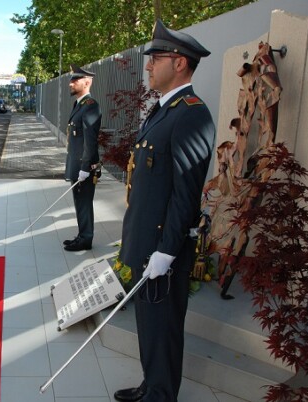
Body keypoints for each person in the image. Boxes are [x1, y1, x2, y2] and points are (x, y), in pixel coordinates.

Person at [114, 20, 215, 402]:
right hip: (146, 242)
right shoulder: (163, 111)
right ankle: (151, 385)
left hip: (163, 249)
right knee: (149, 326)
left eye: (157, 58)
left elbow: (185, 195)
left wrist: (167, 250)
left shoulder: (190, 113)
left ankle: (161, 394)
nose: (149, 65)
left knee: (163, 327)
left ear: (181, 63)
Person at [62, 64, 101, 252]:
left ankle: (86, 239)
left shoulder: (91, 106)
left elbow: (90, 141)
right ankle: (81, 235)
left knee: (84, 203)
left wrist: (85, 167)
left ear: (87, 82)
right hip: (76, 164)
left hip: (84, 167)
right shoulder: (79, 104)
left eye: (74, 80)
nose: (70, 83)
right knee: (79, 202)